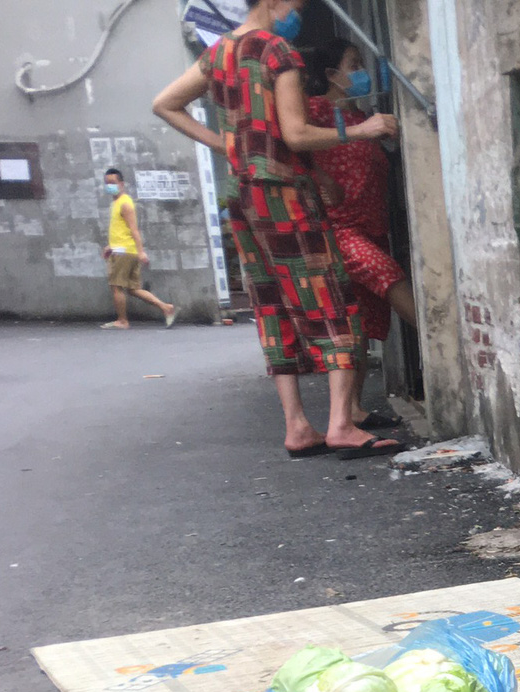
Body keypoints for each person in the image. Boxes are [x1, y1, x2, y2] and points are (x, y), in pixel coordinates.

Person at [150, 0, 404, 458]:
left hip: (242, 196)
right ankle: (342, 425)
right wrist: (361, 130)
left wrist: (230, 147)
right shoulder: (277, 51)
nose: (300, 11)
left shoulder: (219, 54)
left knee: (271, 302)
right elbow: (296, 134)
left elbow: (165, 104)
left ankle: (298, 427)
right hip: (283, 193)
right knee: (333, 298)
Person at [303, 38, 418, 430]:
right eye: (353, 65)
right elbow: (293, 141)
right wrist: (319, 177)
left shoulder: (366, 118)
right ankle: (448, 348)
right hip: (339, 228)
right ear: (332, 75)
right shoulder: (317, 112)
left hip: (372, 228)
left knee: (364, 326)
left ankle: (353, 410)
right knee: (390, 276)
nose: (360, 72)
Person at [99, 169, 177, 330]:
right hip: (123, 250)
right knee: (133, 289)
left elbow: (134, 230)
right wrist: (110, 246)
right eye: (107, 183)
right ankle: (166, 307)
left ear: (121, 184)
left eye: (113, 183)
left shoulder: (125, 203)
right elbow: (121, 230)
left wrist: (141, 251)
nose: (110, 186)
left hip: (123, 252)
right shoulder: (117, 203)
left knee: (116, 286)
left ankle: (122, 321)